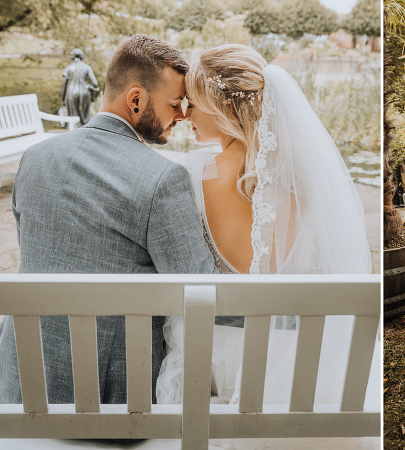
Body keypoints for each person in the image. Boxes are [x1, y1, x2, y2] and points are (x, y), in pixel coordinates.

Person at [154, 45, 378, 444]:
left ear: (223, 108)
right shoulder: (311, 182)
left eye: (193, 102)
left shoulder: (187, 176)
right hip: (302, 363)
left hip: (219, 365)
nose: (185, 112)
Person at [0, 34, 230, 405]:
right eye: (175, 103)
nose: (183, 114)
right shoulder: (161, 180)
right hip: (110, 404)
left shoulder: (35, 157)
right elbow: (204, 293)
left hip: (18, 386)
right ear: (136, 99)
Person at [62, 48, 100, 126]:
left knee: (72, 117)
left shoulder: (69, 68)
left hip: (71, 93)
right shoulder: (87, 67)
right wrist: (93, 95)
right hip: (84, 92)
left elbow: (64, 85)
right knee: (84, 118)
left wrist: (63, 99)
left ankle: (73, 134)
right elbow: (95, 84)